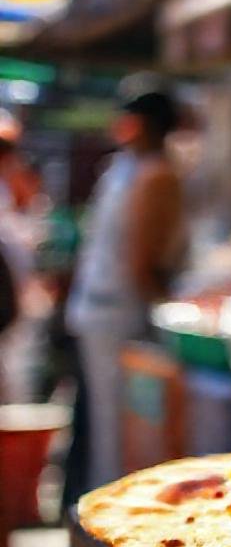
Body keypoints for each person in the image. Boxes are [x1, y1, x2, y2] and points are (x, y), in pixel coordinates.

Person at [67, 91, 185, 488]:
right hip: (118, 314)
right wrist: (168, 306)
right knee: (117, 435)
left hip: (99, 308)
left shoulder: (122, 169)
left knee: (106, 427)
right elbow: (140, 262)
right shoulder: (151, 173)